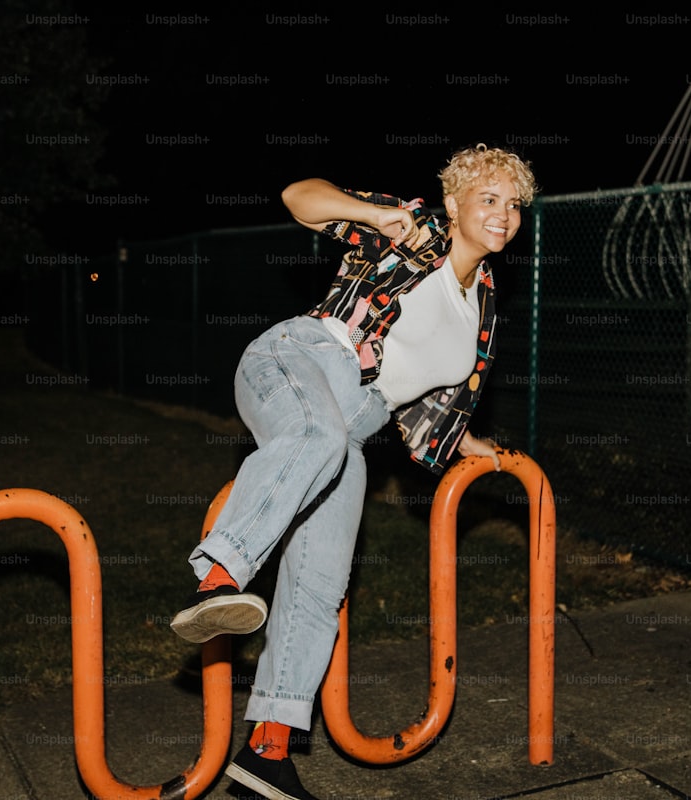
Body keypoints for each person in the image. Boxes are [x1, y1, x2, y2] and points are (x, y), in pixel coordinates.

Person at [170, 143, 537, 800]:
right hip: (299, 359)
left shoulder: (480, 304)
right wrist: (371, 212)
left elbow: (424, 405)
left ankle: (266, 755)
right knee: (316, 435)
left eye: (513, 205)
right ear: (453, 204)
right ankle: (217, 579)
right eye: (489, 198)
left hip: (357, 427)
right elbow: (298, 199)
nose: (503, 214)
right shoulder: (409, 226)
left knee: (320, 589)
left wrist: (467, 441)